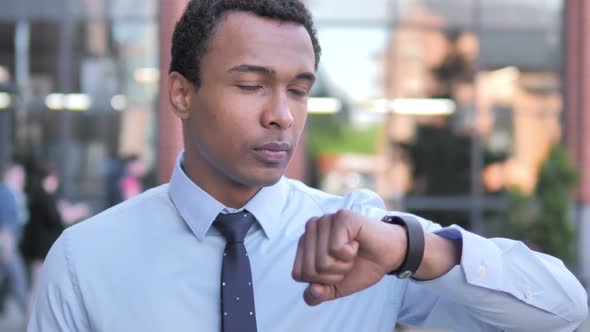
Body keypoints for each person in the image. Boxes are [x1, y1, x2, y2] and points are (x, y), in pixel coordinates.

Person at [28, 1, 588, 331]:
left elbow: (566, 312)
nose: (281, 116)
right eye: (251, 85)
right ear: (180, 93)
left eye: (298, 91)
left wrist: (414, 250)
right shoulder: (85, 261)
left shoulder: (365, 243)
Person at [0, 163, 29, 315]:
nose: (23, 178)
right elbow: (5, 222)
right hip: (6, 244)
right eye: (19, 174)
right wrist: (7, 247)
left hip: (10, 243)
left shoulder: (16, 193)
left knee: (6, 278)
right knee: (18, 277)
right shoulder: (5, 193)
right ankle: (28, 313)